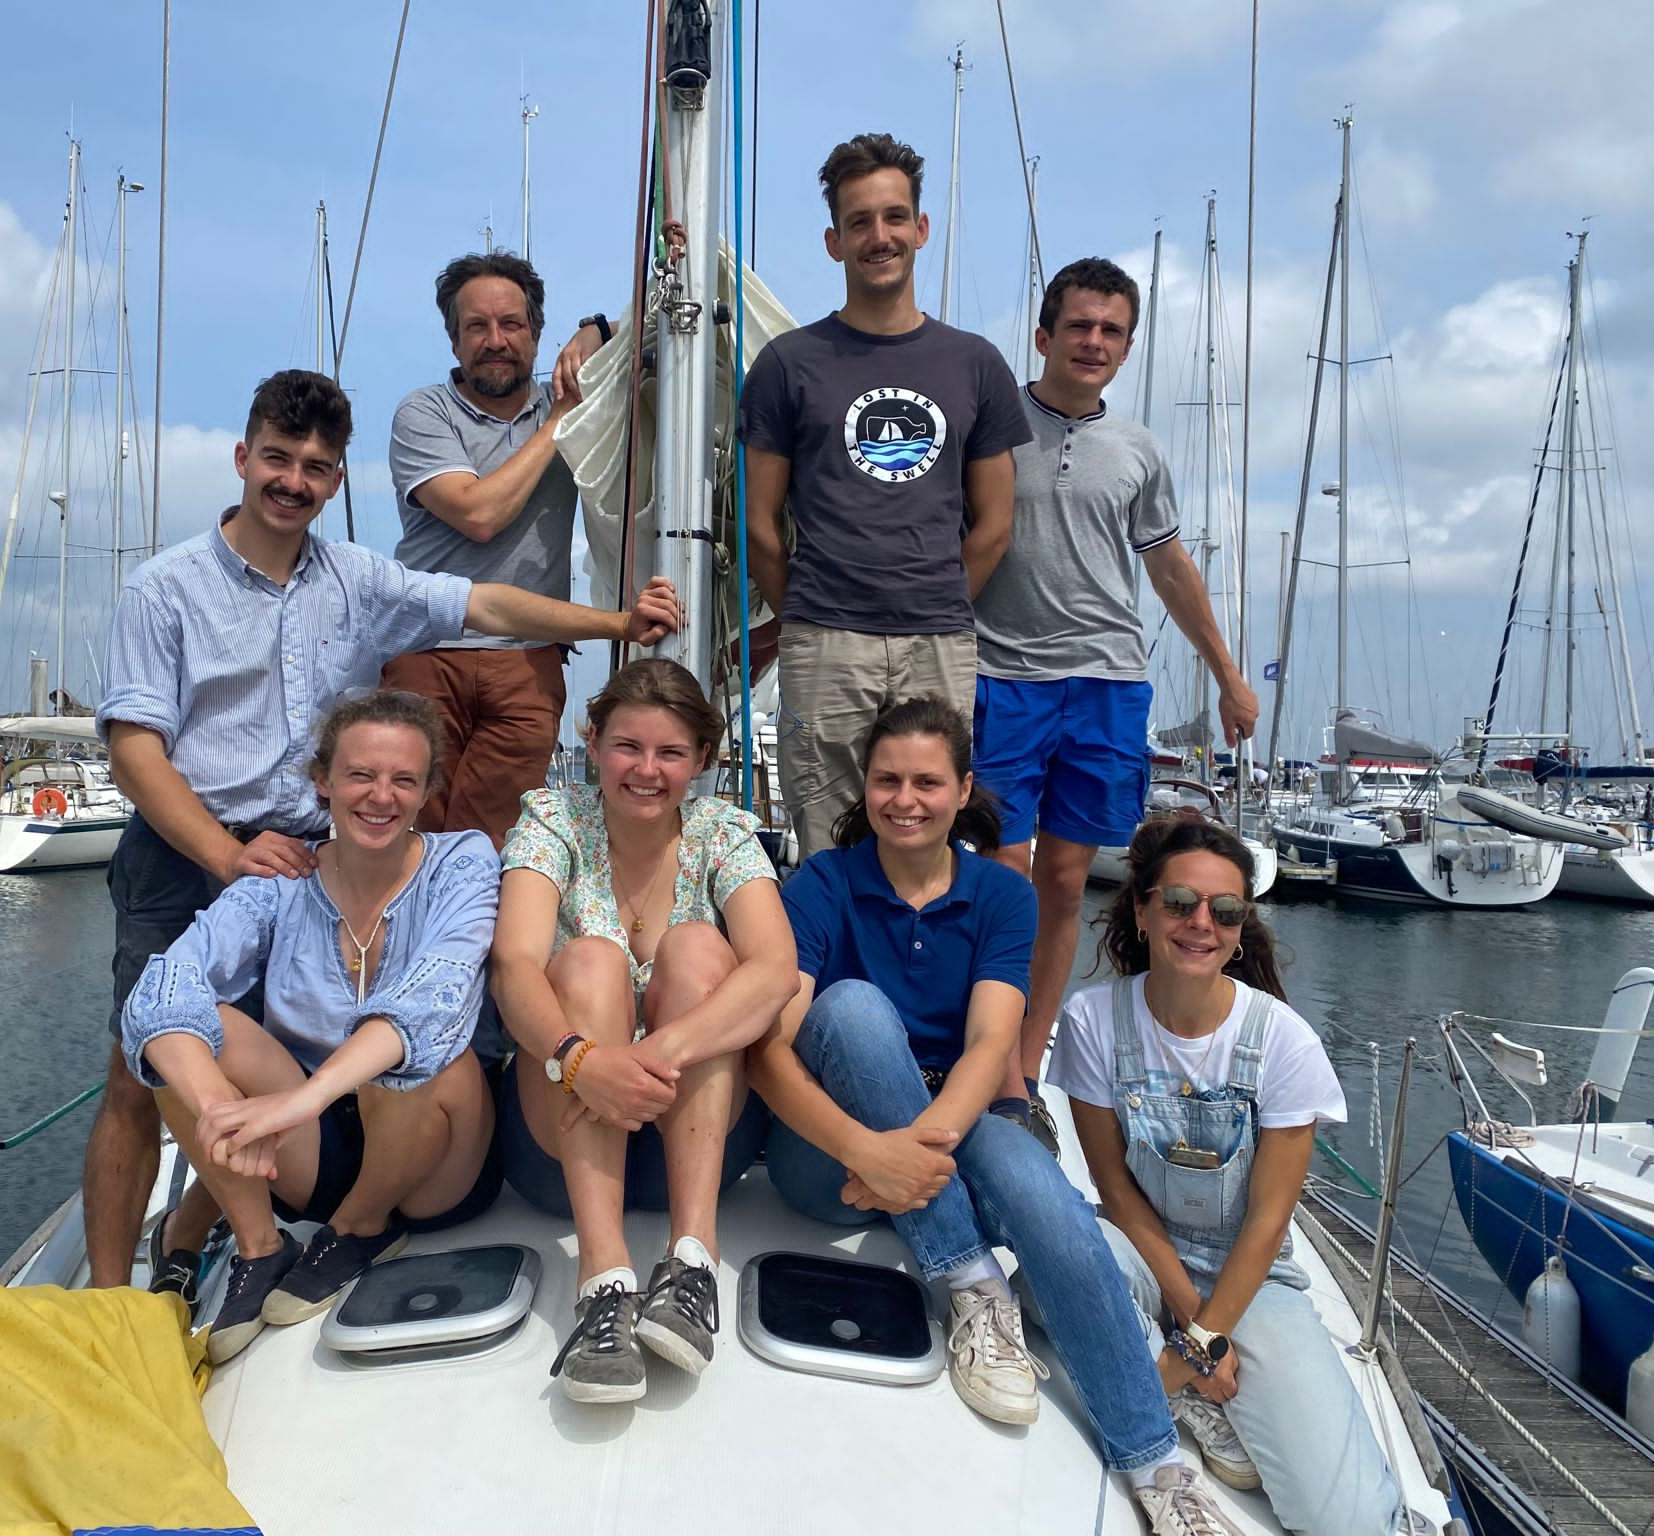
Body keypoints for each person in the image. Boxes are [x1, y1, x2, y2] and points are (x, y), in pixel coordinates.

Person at [87, 367, 680, 1290]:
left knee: (301, 1040)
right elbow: (135, 749)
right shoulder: (165, 590)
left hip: (312, 844)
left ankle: (247, 1216)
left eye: (315, 468)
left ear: (335, 482)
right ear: (243, 459)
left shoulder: (358, 580)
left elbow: (483, 605)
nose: (293, 481)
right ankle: (115, 1297)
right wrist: (227, 856)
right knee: (142, 1066)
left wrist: (614, 625)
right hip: (192, 842)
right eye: (277, 460)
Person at [748, 698, 1249, 1536]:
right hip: (831, 1153)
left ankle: (1156, 1465)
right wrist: (871, 1153)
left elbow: (991, 1045)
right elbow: (771, 1049)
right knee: (854, 1008)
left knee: (1036, 1182)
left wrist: (916, 1154)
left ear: (963, 788)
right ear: (864, 787)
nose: (906, 799)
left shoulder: (999, 894)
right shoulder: (823, 883)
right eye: (887, 780)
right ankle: (972, 1279)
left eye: (927, 782)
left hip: (947, 1126)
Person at [1050, 811, 1431, 1536]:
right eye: (1180, 903)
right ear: (1141, 908)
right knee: (1052, 1262)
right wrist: (1198, 1337)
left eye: (1225, 911)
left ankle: (1177, 1376)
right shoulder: (1095, 1020)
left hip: (1251, 1278)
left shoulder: (1282, 1042)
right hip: (1145, 1249)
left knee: (1346, 1520)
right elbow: (1116, 1190)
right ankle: (1194, 1389)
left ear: (1241, 923)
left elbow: (1267, 1223)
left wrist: (1199, 1341)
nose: (1201, 924)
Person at [120, 692, 500, 1363]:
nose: (380, 797)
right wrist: (218, 1113)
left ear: (425, 792)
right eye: (360, 776)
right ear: (322, 781)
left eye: (403, 780)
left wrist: (305, 1096)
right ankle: (261, 1246)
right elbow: (162, 986)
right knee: (184, 1028)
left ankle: (362, 1227)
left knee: (418, 1053)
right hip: (309, 1157)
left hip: (435, 1156)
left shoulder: (462, 861)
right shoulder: (283, 879)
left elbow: (434, 999)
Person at [970, 257, 1259, 1130]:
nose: (1094, 342)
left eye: (1112, 331)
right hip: (998, 674)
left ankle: (1021, 1071)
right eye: (1080, 326)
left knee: (1064, 880)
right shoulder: (990, 421)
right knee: (999, 876)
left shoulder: (1137, 449)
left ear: (1126, 347)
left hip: (1106, 681)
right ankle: (973, 1046)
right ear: (1044, 333)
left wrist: (1227, 674)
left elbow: (1169, 567)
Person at [491, 658, 798, 1404]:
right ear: (592, 743)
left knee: (697, 946)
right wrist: (581, 1059)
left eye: (670, 753)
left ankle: (692, 1260)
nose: (647, 770)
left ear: (701, 760)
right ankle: (603, 1281)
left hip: (688, 1145)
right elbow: (514, 965)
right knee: (589, 961)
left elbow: (775, 968)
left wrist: (647, 1056)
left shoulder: (722, 832)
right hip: (563, 1140)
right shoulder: (553, 820)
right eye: (628, 746)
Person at [740, 132, 1032, 859]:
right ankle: (828, 977)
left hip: (938, 636)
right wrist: (807, 613)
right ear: (834, 241)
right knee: (825, 838)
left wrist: (931, 595)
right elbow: (759, 524)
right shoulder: (787, 364)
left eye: (895, 217)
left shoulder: (976, 364)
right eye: (861, 222)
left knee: (927, 833)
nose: (881, 236)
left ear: (921, 229)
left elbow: (995, 524)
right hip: (823, 638)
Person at [382, 251, 616, 847]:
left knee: (494, 844)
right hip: (427, 648)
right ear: (453, 340)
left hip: (527, 659)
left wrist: (594, 329)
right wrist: (560, 419)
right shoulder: (424, 412)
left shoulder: (570, 395)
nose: (495, 341)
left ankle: (476, 945)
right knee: (405, 827)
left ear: (537, 334)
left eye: (512, 325)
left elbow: (657, 325)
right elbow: (478, 515)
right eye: (476, 327)